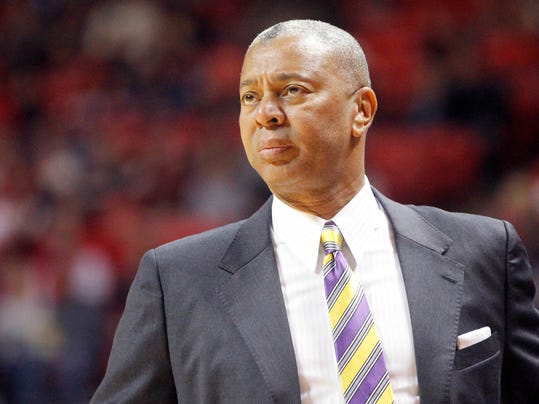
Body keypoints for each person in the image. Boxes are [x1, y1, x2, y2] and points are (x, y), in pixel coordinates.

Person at [91, 20, 539, 403]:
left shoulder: (485, 251)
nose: (265, 113)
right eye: (249, 97)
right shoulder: (177, 280)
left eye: (291, 90)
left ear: (360, 111)